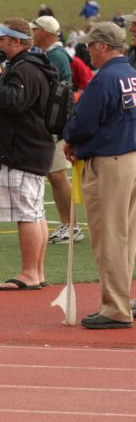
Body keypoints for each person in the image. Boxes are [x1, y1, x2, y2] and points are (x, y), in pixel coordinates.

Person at [63, 22, 136, 329]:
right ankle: (122, 300)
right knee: (126, 237)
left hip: (110, 161)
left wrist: (70, 138)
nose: (88, 50)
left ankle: (116, 307)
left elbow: (83, 124)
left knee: (109, 237)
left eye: (92, 45)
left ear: (104, 46)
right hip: (130, 156)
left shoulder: (105, 78)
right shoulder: (131, 73)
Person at [0, 19, 56, 290]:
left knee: (27, 214)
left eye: (1, 39)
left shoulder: (24, 69)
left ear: (16, 41)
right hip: (33, 147)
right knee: (35, 213)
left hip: (22, 149)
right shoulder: (35, 65)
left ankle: (29, 273)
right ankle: (37, 271)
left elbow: (14, 102)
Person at [29, 15, 82, 245]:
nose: (31, 34)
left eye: (34, 30)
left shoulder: (55, 56)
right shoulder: (52, 55)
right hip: (55, 123)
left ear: (43, 32)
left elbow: (58, 93)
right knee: (55, 175)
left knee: (58, 175)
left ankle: (72, 225)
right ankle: (67, 224)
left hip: (57, 124)